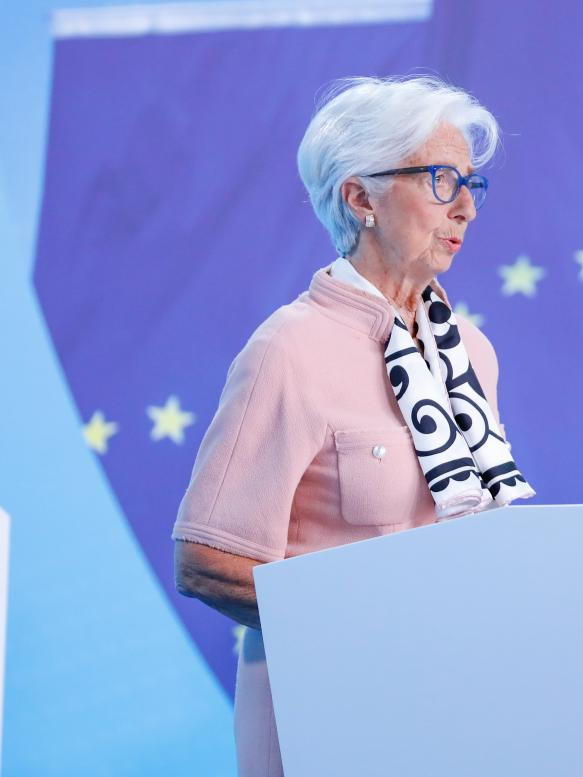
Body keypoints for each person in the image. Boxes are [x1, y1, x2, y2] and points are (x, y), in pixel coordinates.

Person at [172, 76, 534, 777]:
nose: (465, 207)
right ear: (361, 198)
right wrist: (368, 627)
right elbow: (207, 562)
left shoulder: (471, 352)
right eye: (441, 180)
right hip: (326, 713)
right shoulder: (289, 350)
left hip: (452, 703)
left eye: (471, 185)